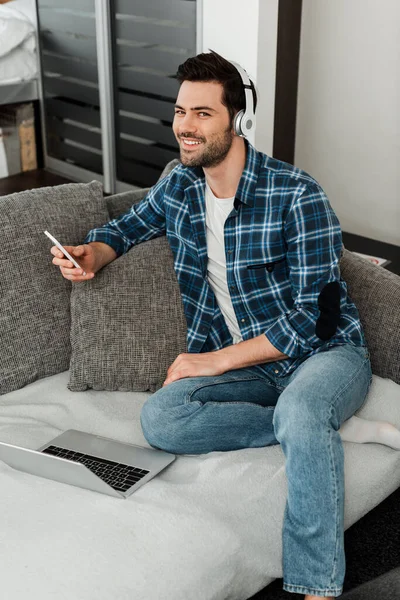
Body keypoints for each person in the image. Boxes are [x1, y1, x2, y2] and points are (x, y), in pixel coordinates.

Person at [50, 51, 400, 600]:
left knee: (304, 404)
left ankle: (316, 587)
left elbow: (316, 317)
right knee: (163, 417)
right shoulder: (180, 187)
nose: (185, 127)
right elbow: (127, 227)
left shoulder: (296, 194)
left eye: (203, 114)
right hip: (253, 367)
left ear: (235, 117)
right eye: (181, 111)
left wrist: (212, 361)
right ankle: (303, 425)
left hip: (325, 354)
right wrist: (92, 255)